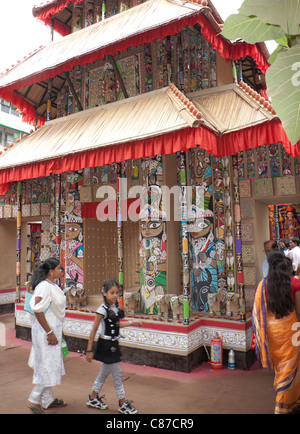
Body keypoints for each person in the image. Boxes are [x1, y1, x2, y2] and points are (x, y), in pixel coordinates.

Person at [252, 250, 300, 414]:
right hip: (292, 330)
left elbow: (258, 313)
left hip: (272, 333)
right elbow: (299, 311)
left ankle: (290, 397)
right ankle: (284, 403)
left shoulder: (263, 285)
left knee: (281, 367)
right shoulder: (294, 282)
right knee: (292, 366)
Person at [86, 279, 142, 414]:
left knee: (105, 371)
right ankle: (122, 403)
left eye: (117, 293)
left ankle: (93, 397)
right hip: (105, 345)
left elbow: (117, 324)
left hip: (113, 343)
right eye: (112, 292)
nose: (115, 295)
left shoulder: (115, 308)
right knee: (117, 373)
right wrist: (89, 350)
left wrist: (131, 322)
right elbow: (93, 330)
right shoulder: (102, 310)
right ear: (104, 293)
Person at [27, 257, 67, 414]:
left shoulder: (53, 285)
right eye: (59, 268)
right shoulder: (44, 286)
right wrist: (50, 333)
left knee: (51, 363)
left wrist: (59, 331)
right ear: (51, 271)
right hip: (45, 332)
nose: (61, 271)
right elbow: (37, 309)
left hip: (53, 330)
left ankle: (47, 399)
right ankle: (34, 399)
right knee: (47, 366)